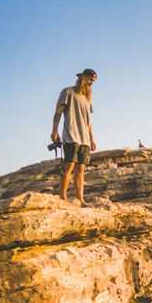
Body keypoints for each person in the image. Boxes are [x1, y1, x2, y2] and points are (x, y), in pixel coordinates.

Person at [50, 68, 97, 205]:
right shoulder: (67, 92)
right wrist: (54, 130)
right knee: (69, 166)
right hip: (71, 135)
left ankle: (80, 199)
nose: (91, 82)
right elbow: (58, 112)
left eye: (93, 81)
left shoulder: (87, 99)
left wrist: (92, 139)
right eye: (90, 79)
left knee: (81, 169)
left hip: (85, 139)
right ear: (82, 77)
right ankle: (63, 198)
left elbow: (88, 122)